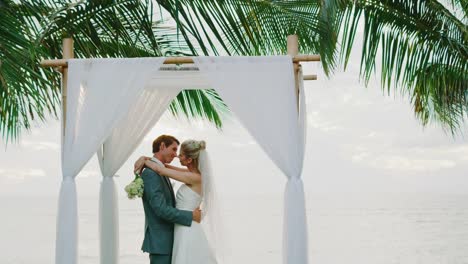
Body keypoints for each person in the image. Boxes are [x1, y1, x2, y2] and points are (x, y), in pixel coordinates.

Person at [135, 138, 218, 264]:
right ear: (162, 146)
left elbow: (161, 169)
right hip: (180, 229)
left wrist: (146, 161)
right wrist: (145, 158)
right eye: (175, 150)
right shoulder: (191, 173)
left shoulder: (194, 177)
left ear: (189, 159)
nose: (177, 156)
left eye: (181, 154)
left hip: (187, 229)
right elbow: (164, 167)